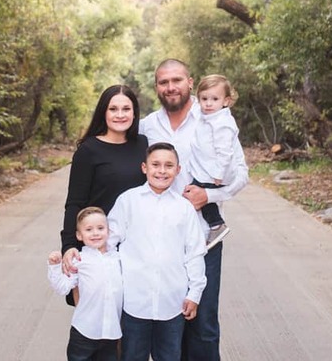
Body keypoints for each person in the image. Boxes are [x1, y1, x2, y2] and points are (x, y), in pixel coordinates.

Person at [139, 59, 249, 361]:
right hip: (158, 239)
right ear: (156, 87)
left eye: (177, 80)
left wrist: (209, 196)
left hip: (203, 239)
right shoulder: (147, 126)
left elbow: (241, 175)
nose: (170, 87)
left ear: (190, 82)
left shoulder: (214, 119)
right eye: (163, 82)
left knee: (202, 324)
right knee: (165, 323)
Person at [106, 142, 207, 361]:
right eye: (156, 164)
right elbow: (107, 243)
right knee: (131, 356)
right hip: (134, 302)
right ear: (144, 167)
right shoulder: (127, 201)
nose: (162, 170)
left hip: (173, 303)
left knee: (170, 356)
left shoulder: (184, 208)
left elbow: (195, 253)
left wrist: (195, 293)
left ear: (178, 170)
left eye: (169, 165)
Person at [61, 85, 148, 302]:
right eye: (113, 109)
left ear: (134, 113)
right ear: (104, 112)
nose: (120, 115)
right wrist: (69, 245)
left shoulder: (143, 145)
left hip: (135, 246)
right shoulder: (88, 151)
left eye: (126, 109)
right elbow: (75, 202)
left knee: (130, 321)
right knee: (96, 323)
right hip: (97, 245)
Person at [48, 207, 122, 361]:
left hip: (111, 332)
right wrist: (55, 267)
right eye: (89, 229)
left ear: (108, 231)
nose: (95, 233)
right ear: (79, 235)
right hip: (84, 332)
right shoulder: (79, 260)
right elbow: (62, 287)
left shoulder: (117, 258)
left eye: (100, 228)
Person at [189, 74, 241, 250]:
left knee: (196, 193)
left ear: (226, 101)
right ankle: (215, 224)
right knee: (196, 192)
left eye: (214, 99)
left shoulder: (222, 123)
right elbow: (195, 104)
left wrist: (219, 174)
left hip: (215, 173)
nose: (208, 104)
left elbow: (225, 153)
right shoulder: (208, 115)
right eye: (204, 99)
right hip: (209, 170)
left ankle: (216, 225)